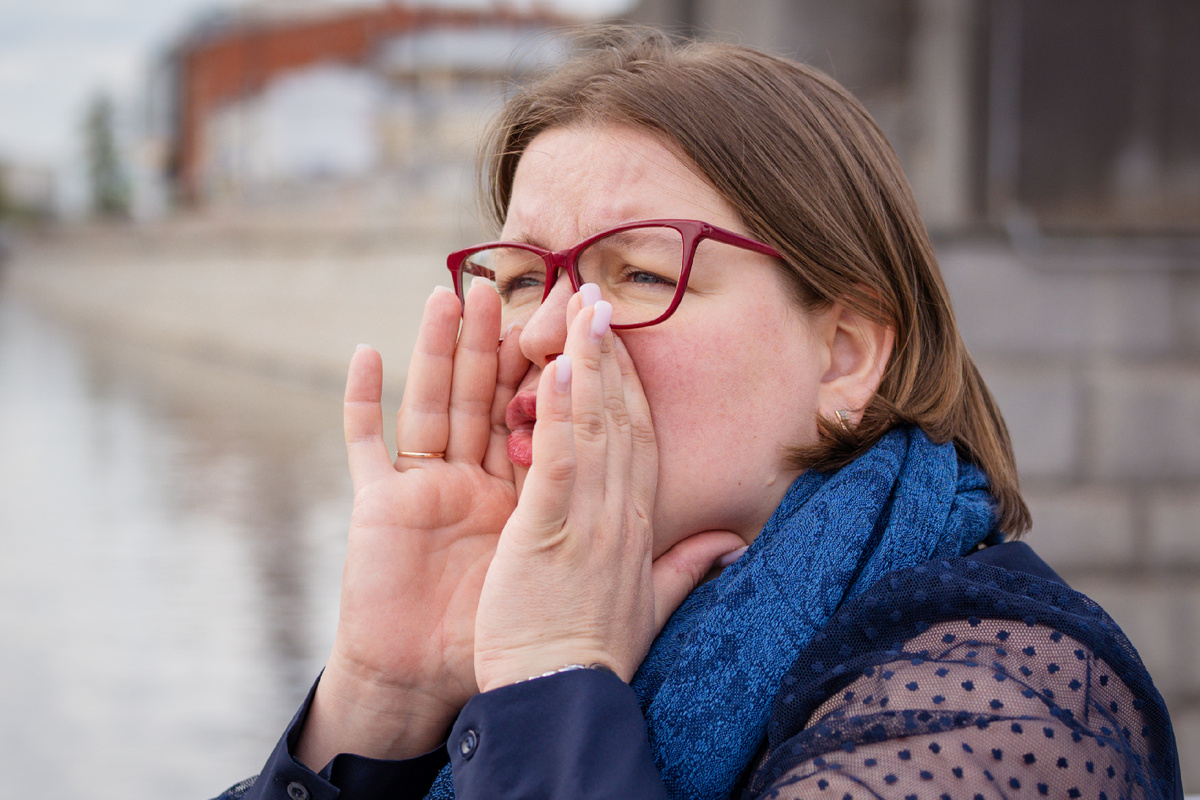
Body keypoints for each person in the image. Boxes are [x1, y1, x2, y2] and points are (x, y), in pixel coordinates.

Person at [216, 26, 1181, 800]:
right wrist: (383, 703)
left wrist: (553, 684)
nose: (548, 331)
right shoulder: (480, 661)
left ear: (844, 356)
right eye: (518, 279)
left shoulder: (1016, 706)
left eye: (638, 271)